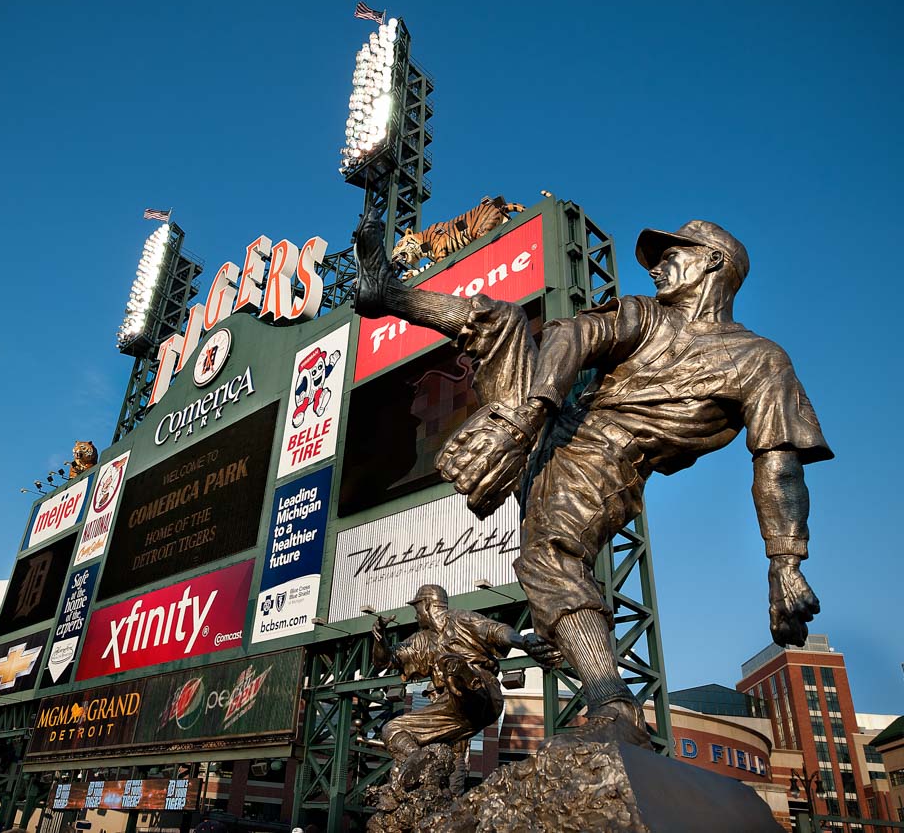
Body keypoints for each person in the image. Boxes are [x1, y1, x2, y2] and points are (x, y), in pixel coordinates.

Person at [354, 216, 831, 748]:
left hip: (609, 458)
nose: (658, 266)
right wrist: (527, 418)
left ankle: (613, 705)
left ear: (713, 262)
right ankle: (386, 293)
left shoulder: (760, 360)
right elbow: (573, 333)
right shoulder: (647, 317)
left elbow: (779, 464)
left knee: (548, 558)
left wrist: (785, 563)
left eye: (675, 254)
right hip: (552, 418)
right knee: (505, 321)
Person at [371, 584, 559, 789]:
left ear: (426, 605)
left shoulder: (460, 618)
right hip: (452, 711)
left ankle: (463, 673)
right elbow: (385, 661)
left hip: (482, 693)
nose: (415, 616)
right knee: (391, 729)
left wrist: (522, 642)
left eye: (416, 609)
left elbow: (495, 630)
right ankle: (422, 760)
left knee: (452, 666)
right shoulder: (421, 639)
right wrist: (380, 641)